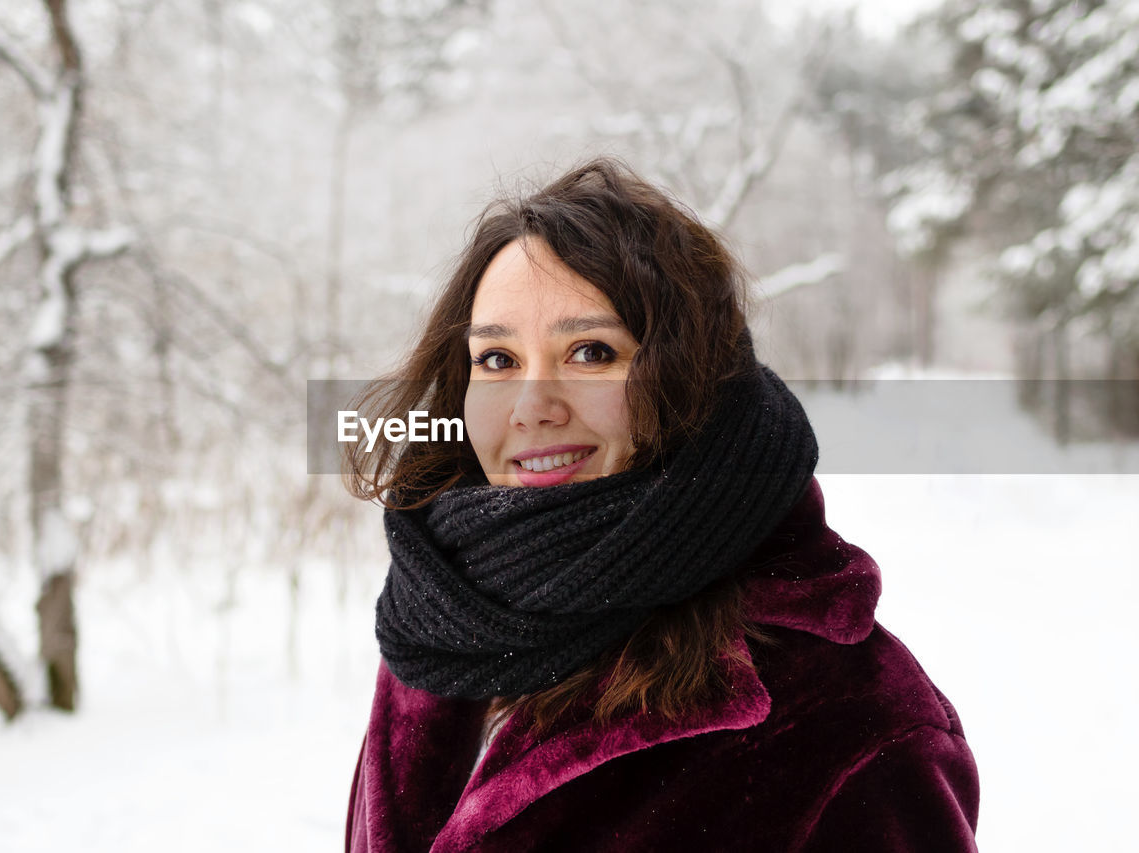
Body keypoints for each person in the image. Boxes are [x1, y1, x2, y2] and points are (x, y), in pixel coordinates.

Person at [341, 159, 980, 852]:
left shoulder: (853, 722)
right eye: (496, 360)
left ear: (693, 381)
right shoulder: (441, 623)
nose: (531, 407)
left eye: (590, 352)